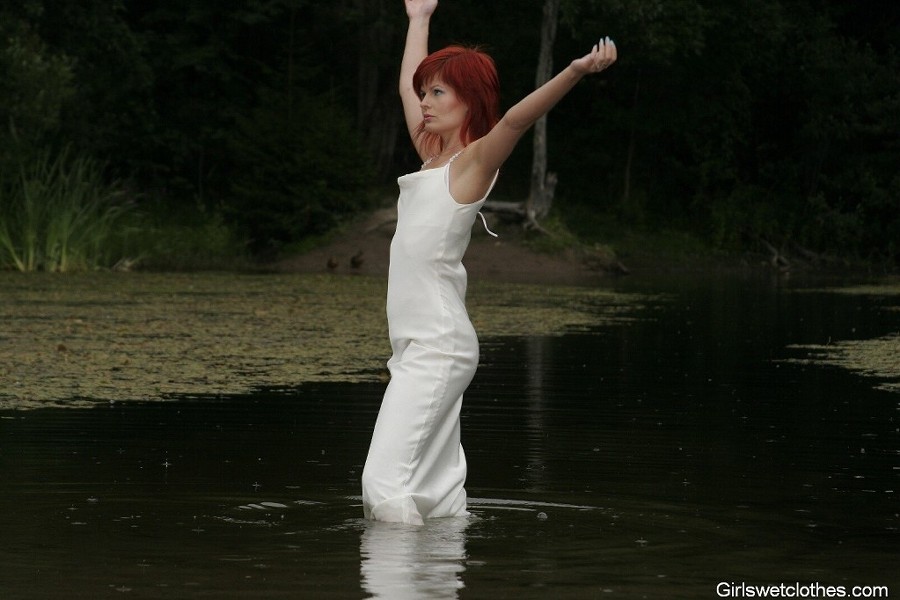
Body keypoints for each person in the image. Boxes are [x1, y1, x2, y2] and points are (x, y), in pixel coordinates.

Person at [361, 0, 617, 525]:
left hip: (438, 346)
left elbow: (518, 120)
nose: (424, 101)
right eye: (425, 92)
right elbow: (405, 87)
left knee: (382, 487)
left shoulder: (472, 164)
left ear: (469, 101)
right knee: (435, 495)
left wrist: (574, 70)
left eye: (438, 92)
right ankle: (440, 570)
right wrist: (418, 18)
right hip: (416, 345)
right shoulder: (430, 155)